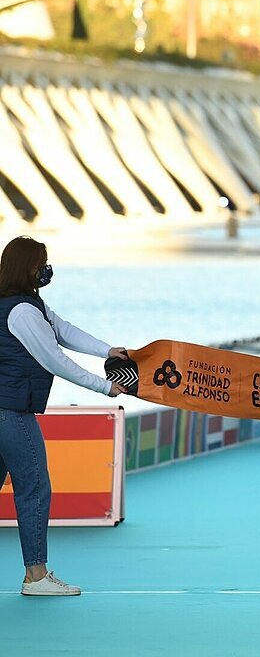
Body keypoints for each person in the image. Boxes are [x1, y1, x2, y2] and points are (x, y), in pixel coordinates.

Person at [0, 236, 127, 597]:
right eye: (42, 262)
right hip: (11, 412)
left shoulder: (23, 304)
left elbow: (63, 330)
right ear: (26, 267)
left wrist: (107, 350)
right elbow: (54, 359)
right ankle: (35, 576)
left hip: (4, 409)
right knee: (34, 488)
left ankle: (35, 574)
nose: (46, 268)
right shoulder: (22, 312)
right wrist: (105, 387)